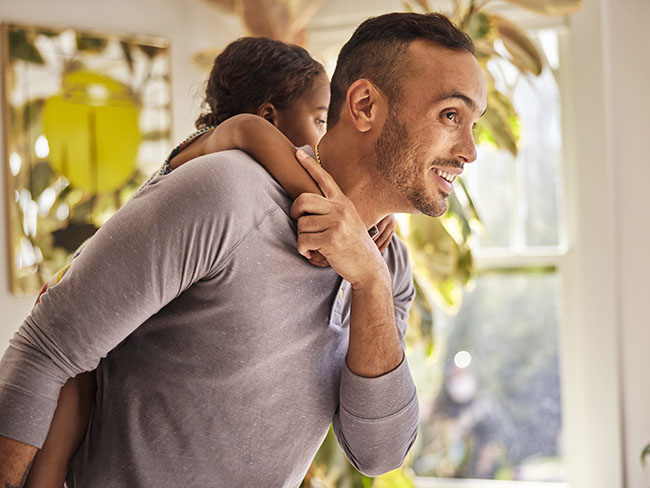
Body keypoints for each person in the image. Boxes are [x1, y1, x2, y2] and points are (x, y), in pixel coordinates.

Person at [0, 11, 486, 487]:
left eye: (474, 124)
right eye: (450, 115)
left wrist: (372, 281)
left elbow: (378, 454)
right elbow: (45, 351)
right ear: (363, 106)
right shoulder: (225, 193)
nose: (469, 151)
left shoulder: (388, 266)